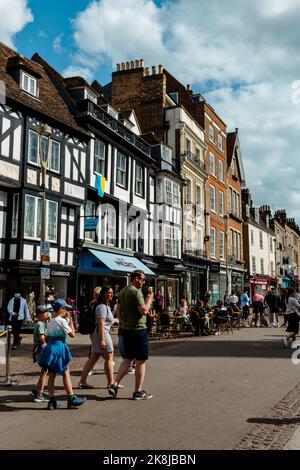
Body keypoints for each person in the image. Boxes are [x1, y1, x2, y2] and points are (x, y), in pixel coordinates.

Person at [108, 269, 154, 400]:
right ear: (136, 279)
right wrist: (149, 299)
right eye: (142, 279)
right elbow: (143, 310)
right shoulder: (136, 292)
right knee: (141, 360)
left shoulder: (123, 291)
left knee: (128, 359)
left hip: (126, 329)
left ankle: (115, 384)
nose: (143, 282)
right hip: (138, 330)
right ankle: (138, 391)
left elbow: (118, 309)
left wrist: (122, 322)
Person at [38, 298, 86, 410]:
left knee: (51, 375)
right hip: (59, 347)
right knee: (66, 372)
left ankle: (52, 401)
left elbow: (46, 336)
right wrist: (70, 322)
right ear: (60, 309)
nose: (66, 311)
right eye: (65, 308)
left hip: (50, 347)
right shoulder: (62, 321)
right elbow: (72, 334)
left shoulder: (50, 321)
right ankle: (71, 398)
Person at [78, 287, 118, 389]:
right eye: (109, 293)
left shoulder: (105, 305)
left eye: (112, 292)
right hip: (101, 333)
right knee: (109, 357)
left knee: (93, 358)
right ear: (104, 294)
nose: (111, 294)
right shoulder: (102, 306)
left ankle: (82, 382)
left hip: (97, 334)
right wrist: (103, 339)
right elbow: (101, 323)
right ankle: (111, 383)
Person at [30, 305, 51, 403]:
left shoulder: (42, 323)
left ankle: (36, 390)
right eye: (46, 312)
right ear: (40, 314)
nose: (47, 314)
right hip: (41, 349)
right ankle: (39, 394)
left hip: (40, 350)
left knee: (45, 371)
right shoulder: (40, 324)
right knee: (45, 371)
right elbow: (42, 339)